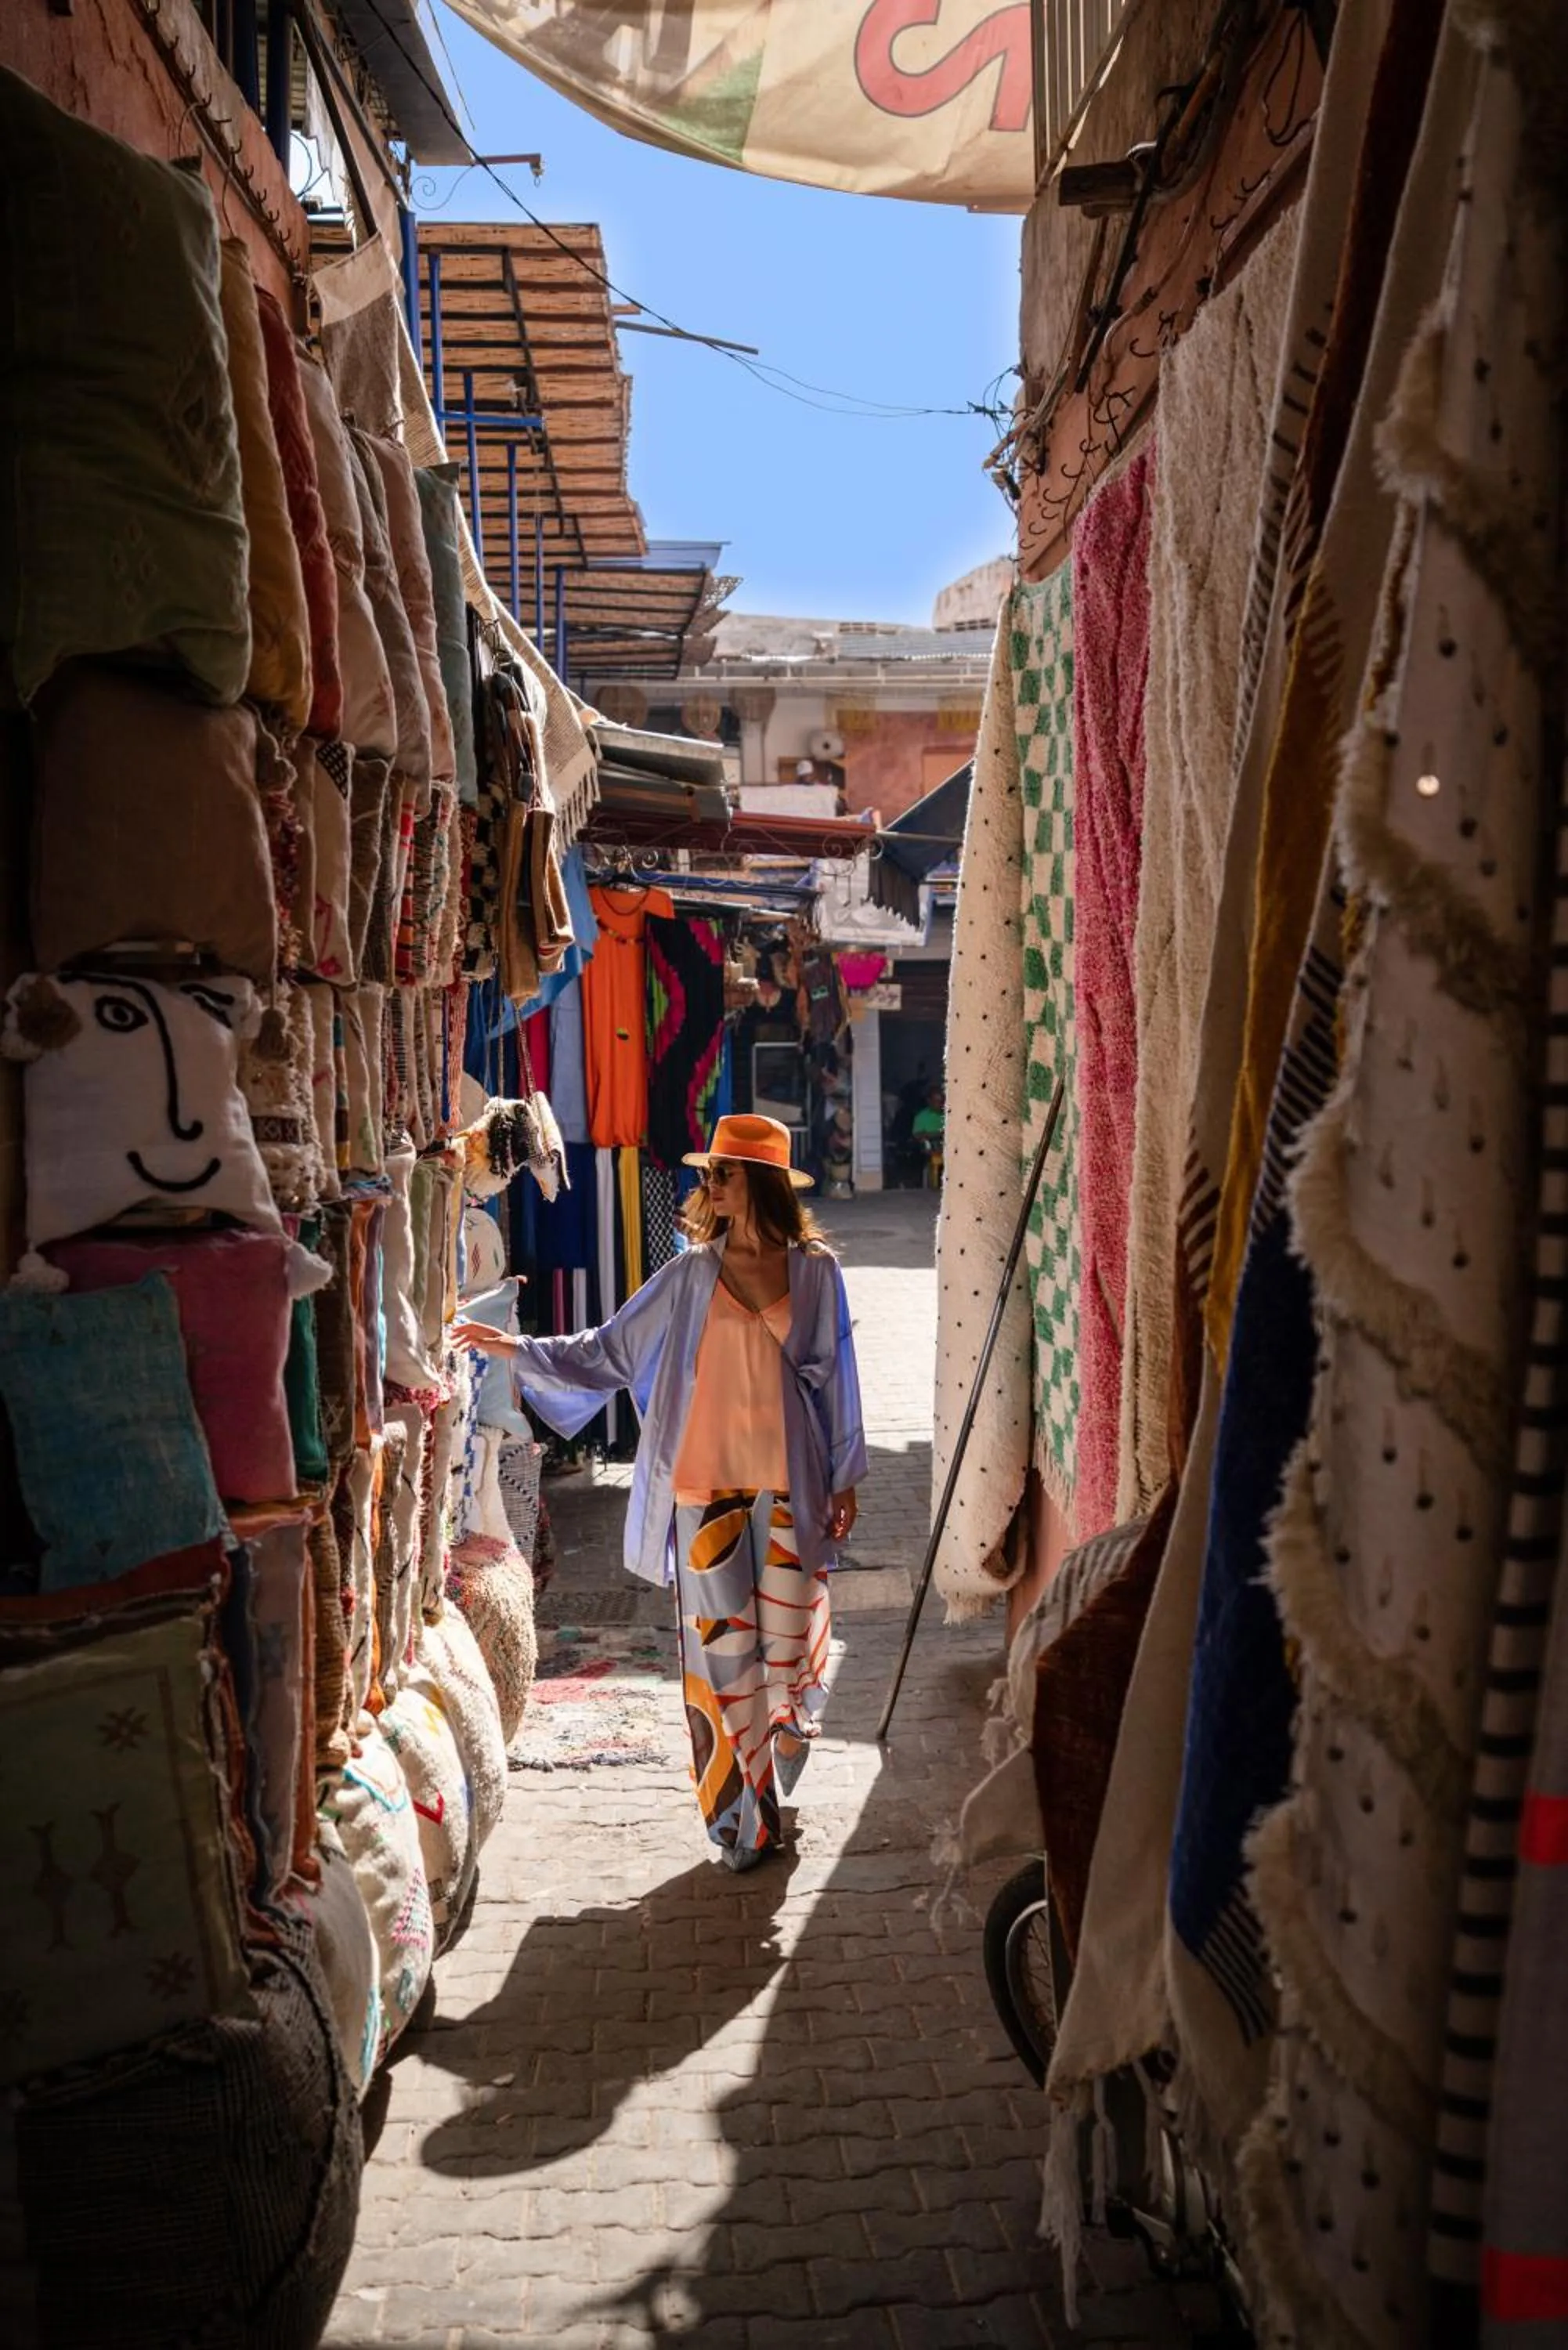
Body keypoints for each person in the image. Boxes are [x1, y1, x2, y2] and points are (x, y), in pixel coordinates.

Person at [453, 1113, 868, 1873]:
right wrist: (513, 1347)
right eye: (708, 1173)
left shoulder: (815, 1273)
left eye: (723, 1173)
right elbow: (609, 1349)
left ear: (761, 1185)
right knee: (721, 1665)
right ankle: (743, 1821)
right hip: (702, 1492)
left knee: (787, 1650)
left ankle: (779, 1761)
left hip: (790, 1490)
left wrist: (847, 1478)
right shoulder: (686, 1276)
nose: (707, 1184)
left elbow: (837, 1380)